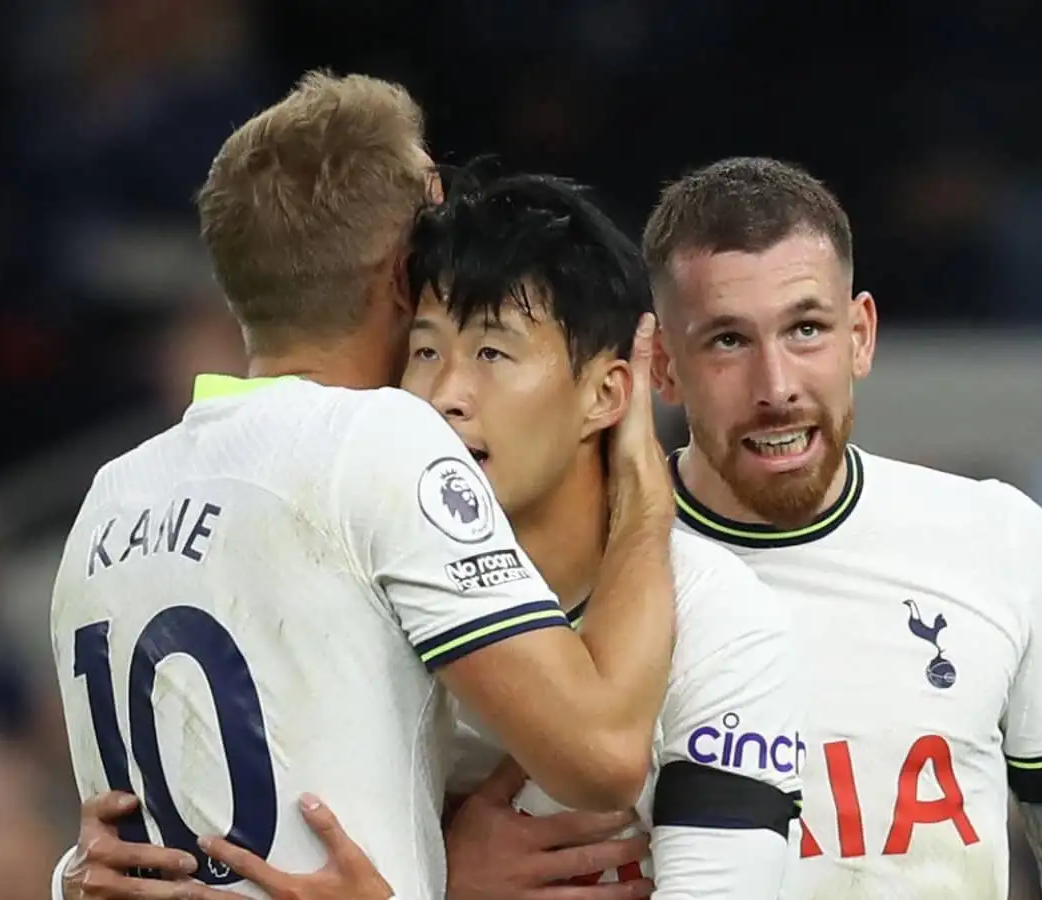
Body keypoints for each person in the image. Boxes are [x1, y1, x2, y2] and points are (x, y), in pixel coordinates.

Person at [55, 166, 805, 900]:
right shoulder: (361, 594)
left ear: (608, 393)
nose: (444, 395)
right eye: (423, 351)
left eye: (492, 352)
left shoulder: (718, 621)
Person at [631, 156, 1042, 899]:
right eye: (728, 341)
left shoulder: (999, 541)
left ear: (861, 335)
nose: (776, 386)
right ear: (662, 368)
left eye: (806, 329)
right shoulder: (586, 574)